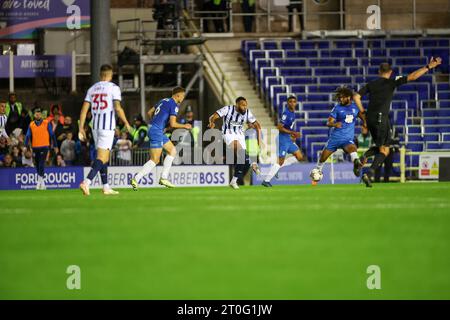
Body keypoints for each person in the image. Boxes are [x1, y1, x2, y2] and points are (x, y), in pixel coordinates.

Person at [354, 58, 442, 187]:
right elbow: (412, 77)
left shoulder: (371, 84)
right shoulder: (392, 82)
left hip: (371, 118)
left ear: (379, 72)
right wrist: (428, 67)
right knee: (384, 151)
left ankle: (364, 158)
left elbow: (356, 96)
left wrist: (362, 113)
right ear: (390, 72)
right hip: (380, 118)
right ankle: (369, 173)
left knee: (384, 148)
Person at [79, 64, 132, 196]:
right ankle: (86, 181)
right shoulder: (114, 88)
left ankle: (106, 186)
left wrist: (81, 127)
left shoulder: (92, 89)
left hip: (95, 127)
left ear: (100, 74)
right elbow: (118, 108)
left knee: (104, 157)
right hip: (107, 127)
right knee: (102, 158)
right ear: (111, 74)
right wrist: (126, 122)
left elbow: (84, 110)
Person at [131, 87, 191, 189]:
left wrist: (156, 123)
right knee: (155, 160)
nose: (183, 98)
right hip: (156, 131)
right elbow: (173, 123)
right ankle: (136, 178)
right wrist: (185, 126)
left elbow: (149, 112)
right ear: (178, 95)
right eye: (183, 96)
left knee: (172, 151)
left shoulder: (163, 100)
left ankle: (164, 177)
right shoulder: (174, 105)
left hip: (155, 130)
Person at [313, 87, 366, 184]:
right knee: (322, 158)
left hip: (347, 139)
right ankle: (317, 172)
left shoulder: (355, 107)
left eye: (342, 97)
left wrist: (365, 123)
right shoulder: (337, 108)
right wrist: (334, 124)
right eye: (339, 98)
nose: (341, 99)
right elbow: (328, 123)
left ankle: (356, 163)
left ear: (349, 97)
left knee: (353, 148)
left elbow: (363, 117)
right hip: (335, 139)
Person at [208, 96, 262, 190]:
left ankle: (233, 181)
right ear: (237, 105)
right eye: (243, 105)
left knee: (241, 159)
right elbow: (214, 116)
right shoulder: (228, 109)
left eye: (246, 105)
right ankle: (253, 163)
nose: (245, 107)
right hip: (228, 133)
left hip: (240, 135)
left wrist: (259, 141)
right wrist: (212, 122)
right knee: (239, 149)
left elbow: (258, 126)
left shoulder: (247, 113)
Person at [262, 95, 305, 187]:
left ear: (296, 103)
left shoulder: (293, 112)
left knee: (300, 156)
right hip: (282, 140)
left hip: (288, 139)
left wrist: (292, 135)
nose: (292, 103)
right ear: (287, 103)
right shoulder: (286, 113)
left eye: (294, 101)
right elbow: (279, 127)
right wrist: (293, 132)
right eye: (290, 102)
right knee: (280, 161)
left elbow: (289, 127)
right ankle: (266, 180)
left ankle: (276, 168)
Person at [24, 107, 58, 190]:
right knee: (37, 164)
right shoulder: (31, 124)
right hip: (35, 147)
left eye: (39, 114)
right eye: (36, 114)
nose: (38, 115)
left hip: (44, 146)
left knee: (41, 163)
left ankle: (38, 183)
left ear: (41, 115)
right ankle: (42, 183)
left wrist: (55, 146)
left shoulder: (46, 123)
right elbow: (28, 135)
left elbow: (52, 134)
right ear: (34, 115)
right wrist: (26, 146)